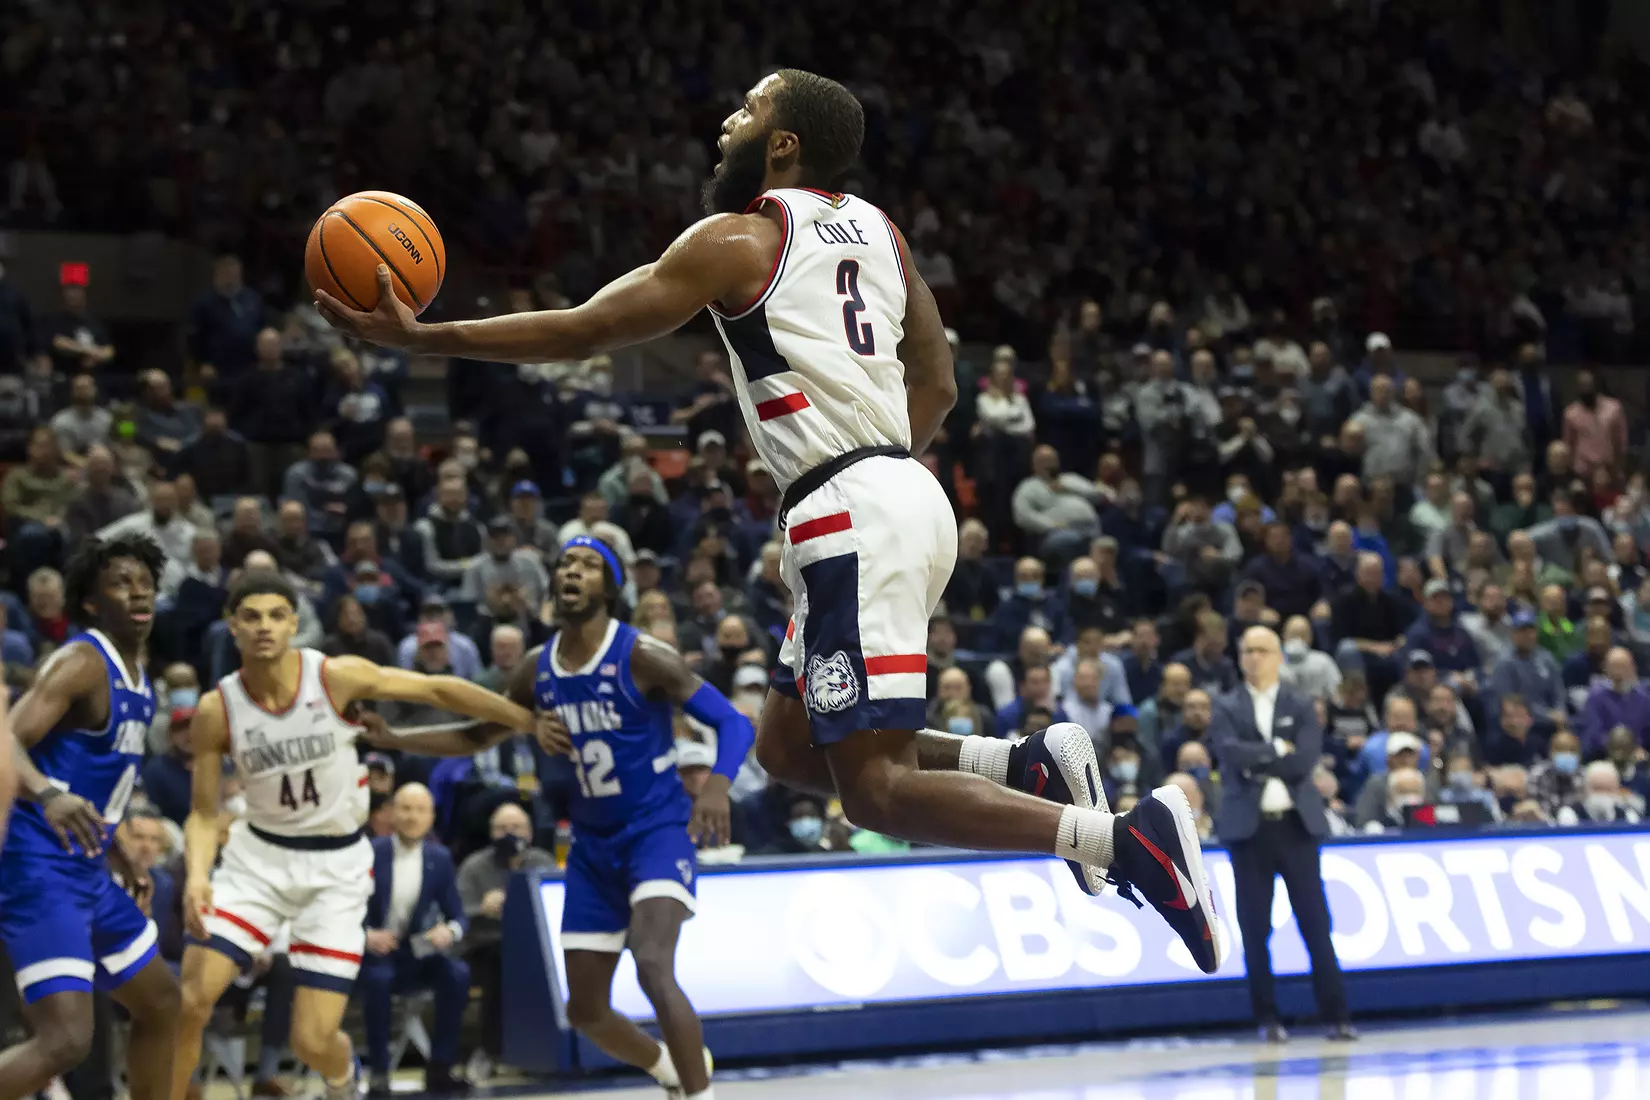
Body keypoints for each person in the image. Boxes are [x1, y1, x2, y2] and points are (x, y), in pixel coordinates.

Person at [320, 68, 1222, 991]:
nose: (727, 123)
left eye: (748, 110)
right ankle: (1021, 762)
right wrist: (872, 470)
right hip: (903, 490)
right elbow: (942, 383)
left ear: (782, 143)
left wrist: (428, 343)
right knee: (790, 751)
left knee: (876, 790)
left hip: (852, 510)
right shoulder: (885, 236)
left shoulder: (740, 239)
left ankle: (1123, 837)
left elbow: (588, 328)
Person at [365, 537, 751, 1097]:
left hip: (656, 831)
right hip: (592, 846)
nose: (573, 571)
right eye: (565, 563)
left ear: (610, 588)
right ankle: (671, 1068)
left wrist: (717, 786)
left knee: (651, 964)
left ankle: (699, 1092)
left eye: (589, 565)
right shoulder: (535, 670)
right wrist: (396, 736)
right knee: (587, 1011)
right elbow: (475, 734)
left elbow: (735, 724)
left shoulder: (642, 654)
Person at [169, 571, 535, 1100]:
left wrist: (520, 718)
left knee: (314, 1041)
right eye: (251, 617)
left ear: (294, 623)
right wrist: (198, 875)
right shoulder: (215, 709)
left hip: (336, 869)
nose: (265, 627)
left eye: (276, 615)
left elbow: (436, 687)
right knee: (191, 999)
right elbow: (203, 814)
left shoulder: (334, 677)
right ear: (232, 627)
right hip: (258, 860)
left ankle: (344, 1080)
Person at [0, 535, 180, 1100]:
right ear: (90, 603)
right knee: (67, 1041)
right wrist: (49, 793)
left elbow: (101, 779)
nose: (138, 590)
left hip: (87, 866)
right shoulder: (82, 660)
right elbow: (5, 738)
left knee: (162, 1003)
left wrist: (117, 847)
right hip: (38, 865)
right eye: (121, 582)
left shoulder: (139, 675)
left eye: (145, 579)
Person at [1210, 626, 1353, 1044]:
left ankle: (1337, 1015)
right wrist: (1276, 750)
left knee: (1315, 924)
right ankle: (1267, 1019)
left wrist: (1260, 760)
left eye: (1261, 650)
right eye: (1247, 650)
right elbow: (1230, 755)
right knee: (1255, 930)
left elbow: (1305, 760)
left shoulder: (1300, 704)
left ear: (1278, 657)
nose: (1253, 657)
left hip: (1296, 827)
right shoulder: (1225, 705)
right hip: (1249, 832)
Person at [360, 784, 470, 1096]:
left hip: (418, 952)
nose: (412, 816)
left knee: (457, 973)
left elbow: (459, 916)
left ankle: (441, 1067)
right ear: (392, 813)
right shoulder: (370, 851)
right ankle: (380, 1071)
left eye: (421, 810)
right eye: (406, 808)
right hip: (377, 952)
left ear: (431, 817)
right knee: (378, 981)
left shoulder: (440, 857)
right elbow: (346, 907)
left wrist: (449, 931)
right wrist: (366, 935)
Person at [455, 803, 556, 1082]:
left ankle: (546, 1050)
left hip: (534, 947)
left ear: (530, 833)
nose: (509, 834)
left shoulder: (542, 861)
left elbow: (554, 903)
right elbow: (458, 914)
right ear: (491, 833)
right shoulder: (474, 866)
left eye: (516, 828)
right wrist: (481, 908)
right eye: (501, 828)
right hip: (485, 945)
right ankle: (489, 1051)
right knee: (500, 960)